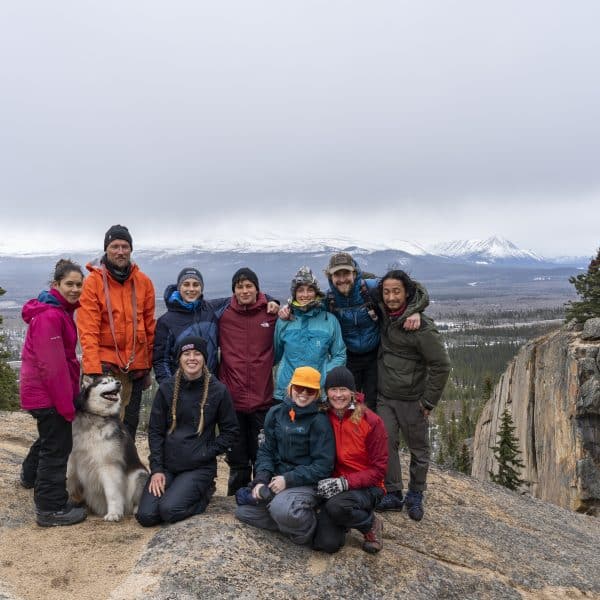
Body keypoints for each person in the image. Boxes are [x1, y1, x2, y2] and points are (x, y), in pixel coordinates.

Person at [136, 336, 239, 527]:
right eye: (186, 354)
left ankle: (204, 492)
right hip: (167, 466)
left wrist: (206, 452)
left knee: (169, 510)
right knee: (146, 516)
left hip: (198, 467)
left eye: (197, 353)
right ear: (179, 359)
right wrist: (157, 470)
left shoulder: (218, 391)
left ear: (204, 358)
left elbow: (230, 431)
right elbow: (156, 432)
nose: (192, 358)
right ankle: (177, 490)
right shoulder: (166, 388)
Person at [375, 270, 451, 519]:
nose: (391, 297)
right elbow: (356, 280)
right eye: (386, 291)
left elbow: (441, 365)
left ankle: (416, 493)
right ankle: (393, 493)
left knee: (419, 450)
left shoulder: (422, 328)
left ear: (407, 292)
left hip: (412, 399)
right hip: (385, 396)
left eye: (396, 291)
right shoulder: (383, 314)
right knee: (386, 443)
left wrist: (429, 401)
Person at [19, 259, 87, 527]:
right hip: (47, 394)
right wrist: (66, 406)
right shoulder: (51, 315)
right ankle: (50, 508)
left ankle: (29, 477)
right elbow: (53, 367)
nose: (74, 289)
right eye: (69, 284)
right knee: (57, 448)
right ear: (55, 284)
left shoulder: (57, 311)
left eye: (78, 285)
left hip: (43, 392)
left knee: (50, 439)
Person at [235, 366, 335, 545]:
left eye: (310, 390)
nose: (303, 394)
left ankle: (309, 528)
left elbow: (323, 467)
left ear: (317, 394)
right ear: (290, 388)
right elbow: (266, 450)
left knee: (281, 509)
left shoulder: (320, 421)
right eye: (298, 388)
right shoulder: (275, 413)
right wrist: (261, 481)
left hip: (306, 484)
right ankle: (285, 518)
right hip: (276, 481)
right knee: (243, 511)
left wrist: (287, 479)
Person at [77, 225, 156, 439]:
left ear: (131, 250)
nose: (120, 251)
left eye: (125, 246)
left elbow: (149, 328)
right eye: (115, 246)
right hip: (105, 366)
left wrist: (147, 367)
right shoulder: (92, 283)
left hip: (135, 367)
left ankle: (123, 469)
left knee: (129, 427)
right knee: (102, 427)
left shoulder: (144, 283)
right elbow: (88, 330)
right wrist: (93, 372)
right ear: (106, 249)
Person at [322, 252, 427, 411]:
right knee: (348, 403)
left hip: (375, 356)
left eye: (346, 273)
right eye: (337, 274)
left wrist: (415, 310)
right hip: (348, 358)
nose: (342, 279)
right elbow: (305, 307)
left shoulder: (371, 288)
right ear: (330, 277)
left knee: (373, 403)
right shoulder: (328, 299)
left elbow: (413, 289)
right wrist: (286, 308)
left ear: (354, 273)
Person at [153, 267, 279, 382]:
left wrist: (270, 300)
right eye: (186, 284)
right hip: (181, 388)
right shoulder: (166, 321)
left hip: (212, 385)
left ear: (201, 288)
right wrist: (168, 389)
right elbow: (161, 361)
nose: (191, 289)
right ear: (179, 287)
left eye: (196, 285)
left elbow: (243, 296)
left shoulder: (212, 309)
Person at [312, 366, 388, 554]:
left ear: (352, 392)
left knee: (336, 506)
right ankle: (345, 519)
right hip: (335, 486)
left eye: (343, 389)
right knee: (325, 544)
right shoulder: (323, 415)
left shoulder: (370, 421)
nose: (338, 395)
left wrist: (345, 483)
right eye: (333, 389)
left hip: (368, 487)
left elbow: (379, 470)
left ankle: (370, 523)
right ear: (326, 392)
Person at [218, 268, 278, 496]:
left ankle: (260, 498)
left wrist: (274, 301)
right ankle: (234, 502)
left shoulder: (271, 314)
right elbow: (196, 304)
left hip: (263, 400)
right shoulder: (223, 313)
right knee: (237, 458)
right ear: (233, 290)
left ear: (257, 288)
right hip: (232, 401)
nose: (244, 290)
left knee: (262, 455)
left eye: (248, 286)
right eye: (239, 286)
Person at [273, 266, 346, 401]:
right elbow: (275, 355)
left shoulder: (329, 320)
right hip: (287, 390)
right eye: (300, 290)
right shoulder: (284, 321)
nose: (305, 295)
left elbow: (340, 355)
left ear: (316, 292)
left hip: (317, 391)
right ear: (294, 294)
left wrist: (324, 374)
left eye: (310, 290)